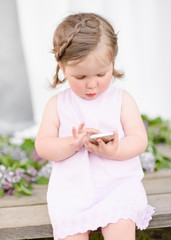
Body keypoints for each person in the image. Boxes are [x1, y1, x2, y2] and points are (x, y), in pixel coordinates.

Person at [35, 12, 155, 240]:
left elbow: (139, 139)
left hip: (117, 187)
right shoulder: (57, 104)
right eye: (80, 77)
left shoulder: (122, 99)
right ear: (61, 66)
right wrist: (73, 143)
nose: (92, 84)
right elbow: (43, 146)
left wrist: (115, 150)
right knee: (72, 233)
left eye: (102, 73)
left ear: (112, 62)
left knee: (120, 228)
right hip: (72, 192)